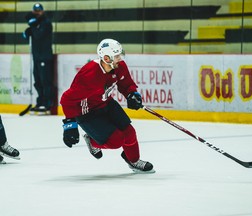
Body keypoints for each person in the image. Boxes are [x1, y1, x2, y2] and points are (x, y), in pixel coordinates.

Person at [60, 38, 155, 173]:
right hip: (87, 112)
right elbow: (67, 99)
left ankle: (133, 161)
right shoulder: (89, 75)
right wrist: (69, 124)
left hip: (106, 103)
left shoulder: (119, 66)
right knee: (116, 141)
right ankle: (92, 141)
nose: (120, 58)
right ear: (106, 58)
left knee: (130, 133)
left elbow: (126, 83)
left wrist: (132, 94)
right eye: (116, 56)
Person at [22, 3, 54, 114]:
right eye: (35, 11)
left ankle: (47, 104)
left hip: (45, 57)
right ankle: (40, 102)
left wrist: (32, 27)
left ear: (42, 11)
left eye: (39, 11)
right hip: (36, 57)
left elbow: (39, 36)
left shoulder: (46, 23)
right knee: (38, 81)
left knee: (45, 81)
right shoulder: (35, 24)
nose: (37, 13)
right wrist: (28, 32)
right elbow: (31, 34)